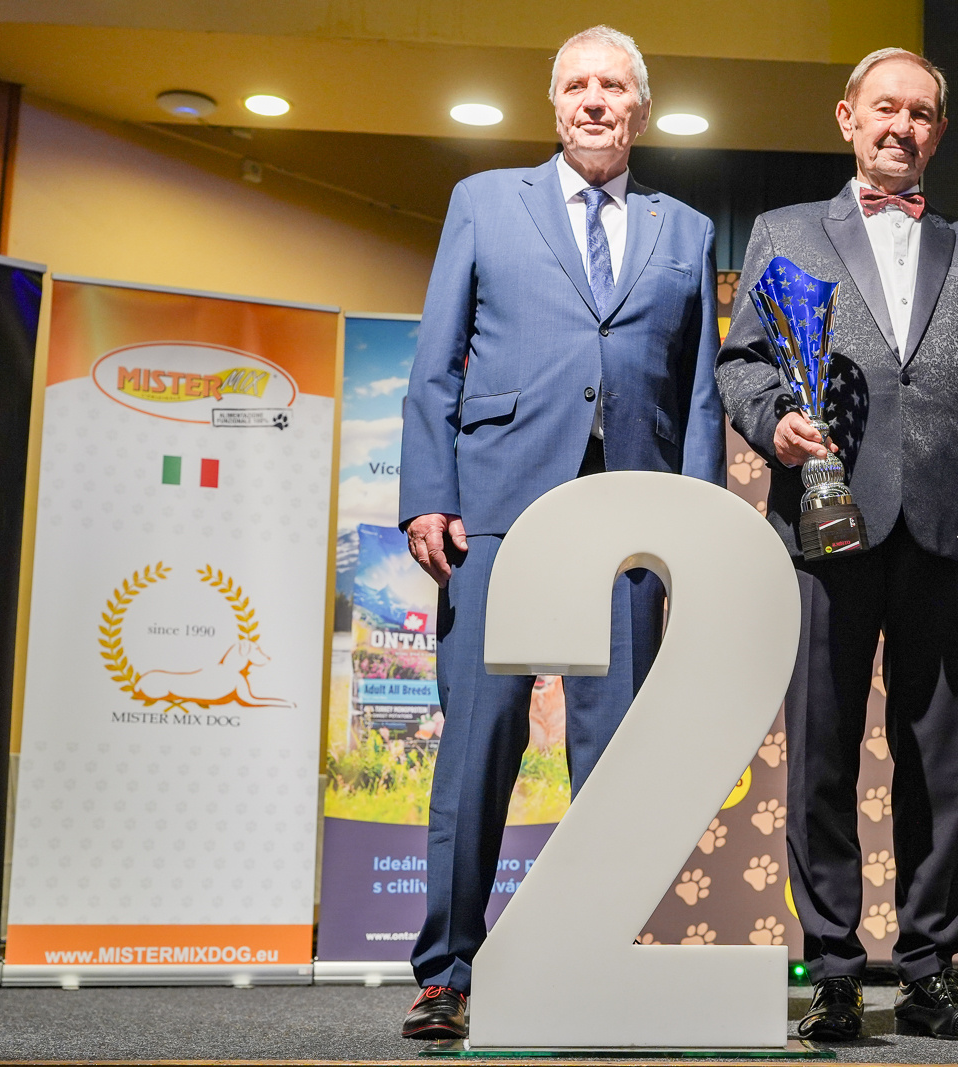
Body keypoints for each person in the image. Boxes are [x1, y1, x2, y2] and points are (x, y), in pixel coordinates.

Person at [396, 25, 724, 1040]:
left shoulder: (687, 229)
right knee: (478, 745)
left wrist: (698, 533)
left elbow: (700, 394)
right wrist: (427, 493)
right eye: (577, 84)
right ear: (554, 105)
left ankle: (593, 966)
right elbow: (436, 361)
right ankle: (447, 972)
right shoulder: (484, 201)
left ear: (641, 110)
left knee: (615, 756)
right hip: (495, 509)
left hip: (631, 520)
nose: (593, 100)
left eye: (613, 86)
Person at [717, 48, 958, 1043]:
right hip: (822, 524)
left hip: (948, 530)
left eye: (922, 113)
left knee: (933, 760)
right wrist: (772, 422)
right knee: (820, 752)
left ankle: (929, 971)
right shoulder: (782, 232)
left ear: (938, 131)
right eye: (885, 108)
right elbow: (741, 361)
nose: (902, 125)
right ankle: (834, 971)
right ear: (847, 117)